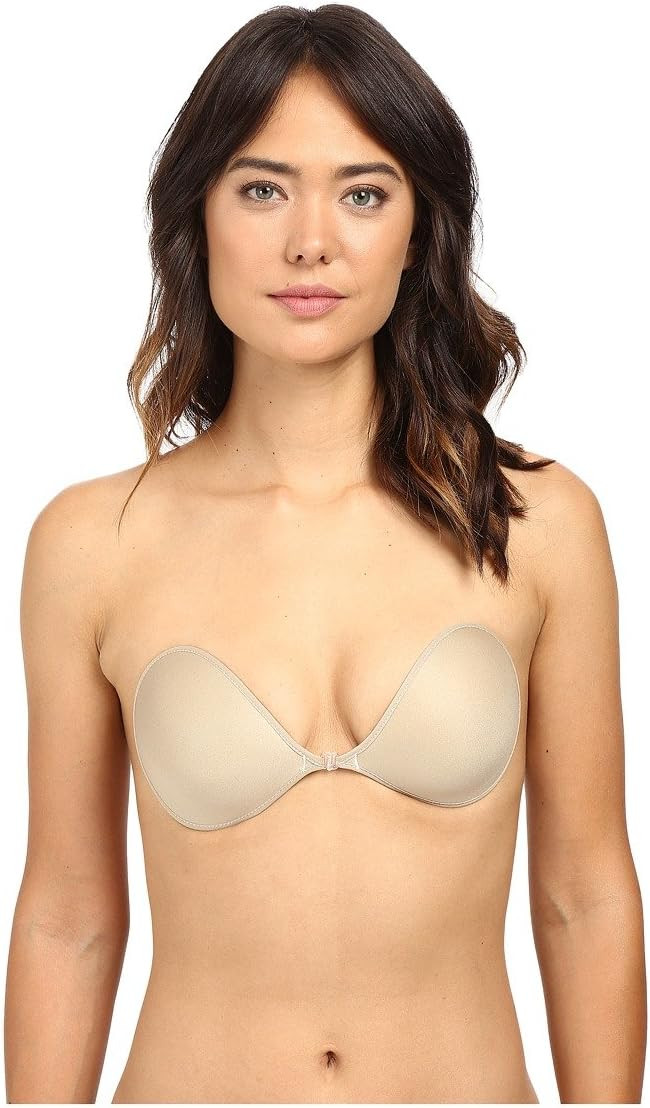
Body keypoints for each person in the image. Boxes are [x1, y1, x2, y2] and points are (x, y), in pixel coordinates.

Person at [5, 4, 646, 1104]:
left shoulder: (537, 522)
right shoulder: (93, 542)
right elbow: (69, 915)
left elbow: (582, 896)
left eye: (363, 193)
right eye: (262, 189)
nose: (311, 241)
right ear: (196, 214)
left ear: (419, 228)